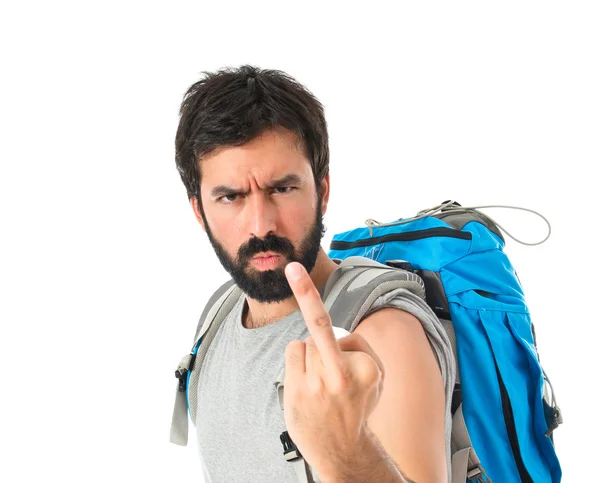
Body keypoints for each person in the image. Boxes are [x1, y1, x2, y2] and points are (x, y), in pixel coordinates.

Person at [174, 65, 453, 483]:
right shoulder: (218, 314)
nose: (260, 225)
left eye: (282, 189)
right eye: (231, 197)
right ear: (200, 211)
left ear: (322, 190)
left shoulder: (381, 332)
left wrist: (348, 454)